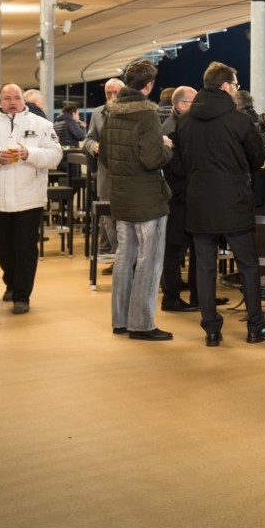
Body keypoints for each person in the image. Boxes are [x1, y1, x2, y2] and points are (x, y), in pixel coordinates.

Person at [176, 61, 265, 347]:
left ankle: (211, 330)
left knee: (204, 267)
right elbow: (257, 160)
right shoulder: (240, 121)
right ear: (224, 86)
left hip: (199, 201)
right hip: (234, 200)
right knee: (248, 265)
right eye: (235, 84)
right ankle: (255, 327)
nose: (237, 88)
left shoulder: (185, 121)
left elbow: (182, 161)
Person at [0, 83, 63, 314]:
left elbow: (55, 156)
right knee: (3, 247)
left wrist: (29, 153)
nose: (12, 102)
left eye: (16, 98)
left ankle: (22, 295)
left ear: (23, 100)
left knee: (26, 248)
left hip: (30, 198)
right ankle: (11, 282)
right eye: (7, 98)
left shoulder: (42, 125)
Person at [100, 59, 174, 340]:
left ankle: (120, 320)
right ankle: (142, 324)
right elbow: (152, 159)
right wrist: (167, 147)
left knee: (124, 257)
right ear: (149, 85)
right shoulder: (147, 115)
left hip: (120, 196)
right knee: (149, 261)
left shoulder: (111, 113)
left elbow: (104, 156)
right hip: (147, 200)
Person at [161, 85, 200, 312]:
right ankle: (171, 298)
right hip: (177, 198)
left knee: (193, 247)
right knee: (174, 250)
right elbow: (176, 167)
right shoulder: (171, 129)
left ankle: (198, 295)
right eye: (194, 102)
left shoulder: (181, 125)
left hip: (185, 196)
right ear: (182, 105)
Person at [84, 77, 124, 271]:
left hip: (128, 177)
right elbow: (88, 139)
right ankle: (120, 259)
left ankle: (128, 261)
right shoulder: (97, 113)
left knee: (126, 220)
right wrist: (93, 146)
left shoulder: (133, 111)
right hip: (105, 175)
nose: (112, 96)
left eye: (116, 92)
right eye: (109, 93)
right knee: (108, 219)